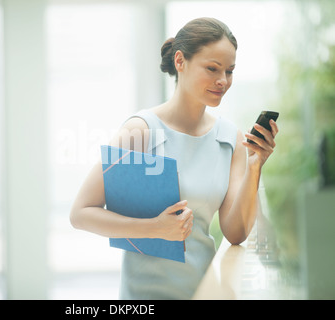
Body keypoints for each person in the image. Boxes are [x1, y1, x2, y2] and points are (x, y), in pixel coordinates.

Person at [69, 17, 279, 299]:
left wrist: (255, 166)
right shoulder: (141, 131)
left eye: (229, 71)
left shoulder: (230, 139)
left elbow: (236, 232)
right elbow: (81, 213)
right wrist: (153, 228)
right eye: (212, 68)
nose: (223, 81)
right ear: (180, 61)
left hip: (204, 291)